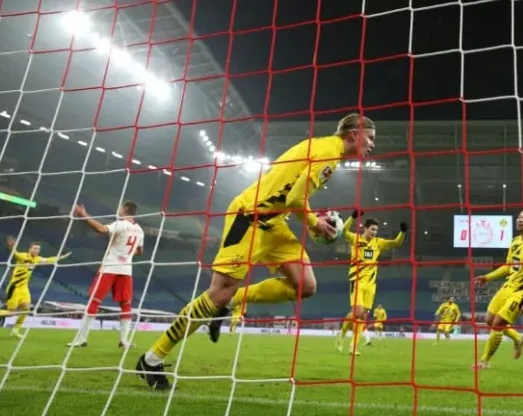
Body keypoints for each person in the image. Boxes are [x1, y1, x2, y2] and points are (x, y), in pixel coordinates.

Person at [136, 114, 376, 390]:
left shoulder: (326, 150)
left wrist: (313, 220)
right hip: (248, 218)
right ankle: (152, 358)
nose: (372, 144)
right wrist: (314, 223)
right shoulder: (328, 154)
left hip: (275, 223)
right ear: (353, 134)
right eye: (370, 138)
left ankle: (231, 303)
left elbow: (292, 195)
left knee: (305, 285)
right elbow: (295, 199)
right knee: (217, 292)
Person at [472, 210, 523, 370]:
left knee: (498, 324)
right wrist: (487, 277)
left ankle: (484, 362)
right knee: (489, 320)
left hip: (521, 291)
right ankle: (518, 338)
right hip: (508, 286)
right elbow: (507, 267)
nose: (519, 220)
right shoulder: (515, 241)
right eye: (519, 217)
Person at [67, 201, 144, 349]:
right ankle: (124, 341)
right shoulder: (139, 230)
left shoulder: (121, 224)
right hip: (126, 270)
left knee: (94, 301)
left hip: (110, 267)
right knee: (126, 304)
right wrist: (125, 254)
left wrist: (84, 215)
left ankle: (81, 339)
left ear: (125, 209)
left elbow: (101, 229)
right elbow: (140, 251)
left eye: (120, 207)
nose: (118, 209)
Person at [335, 211, 406, 355]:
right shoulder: (356, 239)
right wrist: (352, 217)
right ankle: (342, 336)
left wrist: (403, 232)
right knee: (357, 314)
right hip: (357, 281)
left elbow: (396, 243)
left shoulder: (378, 243)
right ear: (365, 228)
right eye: (372, 229)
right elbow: (344, 232)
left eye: (376, 230)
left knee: (362, 316)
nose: (374, 232)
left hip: (371, 285)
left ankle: (353, 346)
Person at [0, 237, 71, 338]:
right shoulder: (23, 256)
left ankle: (15, 330)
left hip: (24, 288)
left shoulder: (37, 259)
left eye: (38, 249)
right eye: (35, 248)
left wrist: (61, 257)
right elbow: (15, 253)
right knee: (10, 313)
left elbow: (49, 260)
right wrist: (11, 247)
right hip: (14, 287)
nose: (36, 250)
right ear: (30, 249)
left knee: (26, 309)